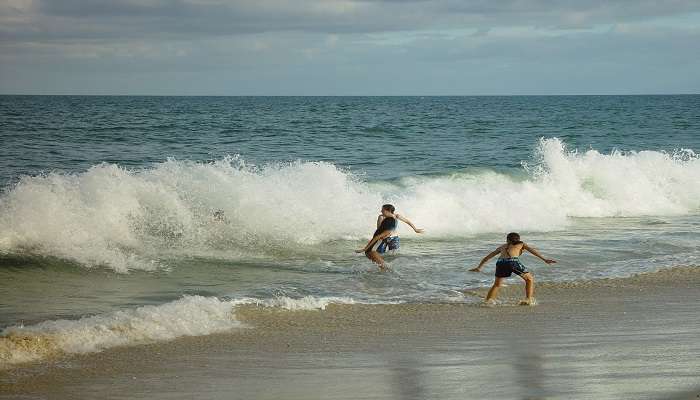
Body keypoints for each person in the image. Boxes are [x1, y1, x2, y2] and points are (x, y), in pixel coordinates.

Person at [469, 232, 556, 305]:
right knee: (529, 279)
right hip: (512, 261)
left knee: (497, 284)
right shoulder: (521, 244)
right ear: (518, 239)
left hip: (500, 263)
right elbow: (532, 250)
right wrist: (544, 259)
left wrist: (479, 267)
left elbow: (488, 256)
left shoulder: (502, 246)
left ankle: (487, 301)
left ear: (507, 240)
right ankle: (528, 299)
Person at [355, 204, 424, 270]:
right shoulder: (381, 217)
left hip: (393, 237)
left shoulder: (396, 216)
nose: (381, 211)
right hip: (385, 237)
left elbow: (407, 221)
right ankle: (384, 265)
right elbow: (379, 228)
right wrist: (383, 235)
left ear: (388, 210)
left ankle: (389, 267)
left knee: (393, 253)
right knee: (378, 253)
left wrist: (415, 229)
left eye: (383, 209)